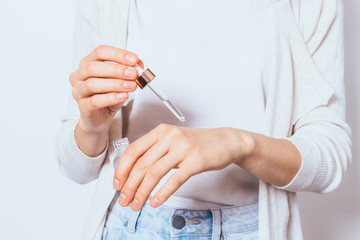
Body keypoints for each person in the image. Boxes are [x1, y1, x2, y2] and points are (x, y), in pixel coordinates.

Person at [56, 0, 352, 239]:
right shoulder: (108, 5)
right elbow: (77, 170)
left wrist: (239, 144)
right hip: (131, 225)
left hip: (251, 230)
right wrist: (92, 126)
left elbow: (330, 157)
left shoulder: (308, 5)